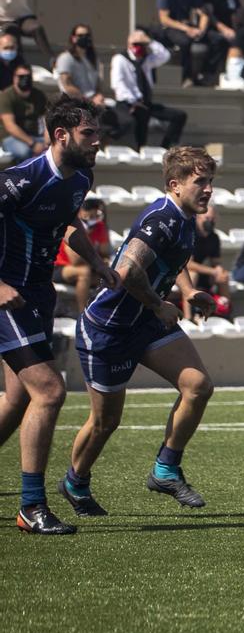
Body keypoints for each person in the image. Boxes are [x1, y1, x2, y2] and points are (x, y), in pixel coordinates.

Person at [64, 146, 219, 514]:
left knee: (198, 386)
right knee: (106, 422)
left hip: (144, 324)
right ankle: (75, 482)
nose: (209, 189)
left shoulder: (181, 218)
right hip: (108, 328)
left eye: (210, 181)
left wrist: (187, 290)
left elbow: (170, 259)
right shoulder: (162, 218)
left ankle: (165, 469)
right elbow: (130, 272)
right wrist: (157, 304)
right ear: (174, 184)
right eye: (201, 182)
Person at [0, 102, 116, 534]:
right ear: (60, 135)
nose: (98, 140)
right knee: (49, 391)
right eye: (88, 133)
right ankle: (31, 507)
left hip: (36, 296)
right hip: (5, 297)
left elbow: (68, 223)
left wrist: (98, 263)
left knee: (18, 399)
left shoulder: (83, 176)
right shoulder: (19, 179)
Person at [108, 30, 187, 148]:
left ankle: (165, 147)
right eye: (136, 44)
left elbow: (164, 55)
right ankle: (138, 147)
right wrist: (134, 101)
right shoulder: (120, 59)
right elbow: (117, 84)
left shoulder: (146, 60)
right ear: (129, 44)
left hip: (145, 103)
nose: (139, 47)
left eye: (142, 45)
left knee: (179, 116)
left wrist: (149, 41)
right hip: (128, 103)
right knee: (138, 117)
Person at [153, 0, 222, 86]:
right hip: (171, 28)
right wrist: (186, 29)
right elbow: (164, 19)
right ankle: (187, 77)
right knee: (185, 42)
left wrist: (201, 29)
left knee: (217, 39)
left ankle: (207, 74)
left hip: (189, 27)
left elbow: (203, 13)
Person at [56, 194, 110, 307]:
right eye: (89, 215)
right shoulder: (72, 225)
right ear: (80, 212)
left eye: (95, 216)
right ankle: (82, 312)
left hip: (91, 267)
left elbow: (105, 253)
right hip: (61, 267)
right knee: (84, 272)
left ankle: (101, 310)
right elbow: (75, 260)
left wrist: (103, 262)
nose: (92, 219)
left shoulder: (99, 226)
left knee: (110, 275)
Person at [0, 62, 47, 162]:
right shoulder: (6, 96)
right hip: (11, 137)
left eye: (27, 76)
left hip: (35, 135)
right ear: (14, 78)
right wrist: (33, 144)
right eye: (21, 76)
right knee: (24, 152)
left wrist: (48, 139)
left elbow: (46, 119)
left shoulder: (39, 95)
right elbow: (10, 126)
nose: (24, 79)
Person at [54, 25, 107, 109]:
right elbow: (67, 85)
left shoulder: (94, 59)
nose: (84, 38)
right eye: (80, 36)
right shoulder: (65, 58)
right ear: (73, 38)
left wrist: (99, 96)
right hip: (73, 104)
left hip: (93, 104)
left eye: (87, 35)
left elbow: (97, 85)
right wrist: (88, 100)